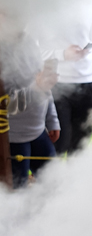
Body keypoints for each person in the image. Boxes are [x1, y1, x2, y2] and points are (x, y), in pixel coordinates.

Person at [40, 0, 92, 155]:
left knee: (80, 149)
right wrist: (63, 54)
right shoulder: (44, 3)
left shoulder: (88, 1)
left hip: (90, 85)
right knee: (57, 146)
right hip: (58, 87)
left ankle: (75, 173)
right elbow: (36, 50)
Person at [8, 59, 60, 187]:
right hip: (15, 139)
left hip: (39, 134)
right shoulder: (8, 71)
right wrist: (36, 88)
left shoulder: (37, 62)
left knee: (51, 176)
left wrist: (53, 122)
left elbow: (49, 98)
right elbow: (10, 107)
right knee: (19, 184)